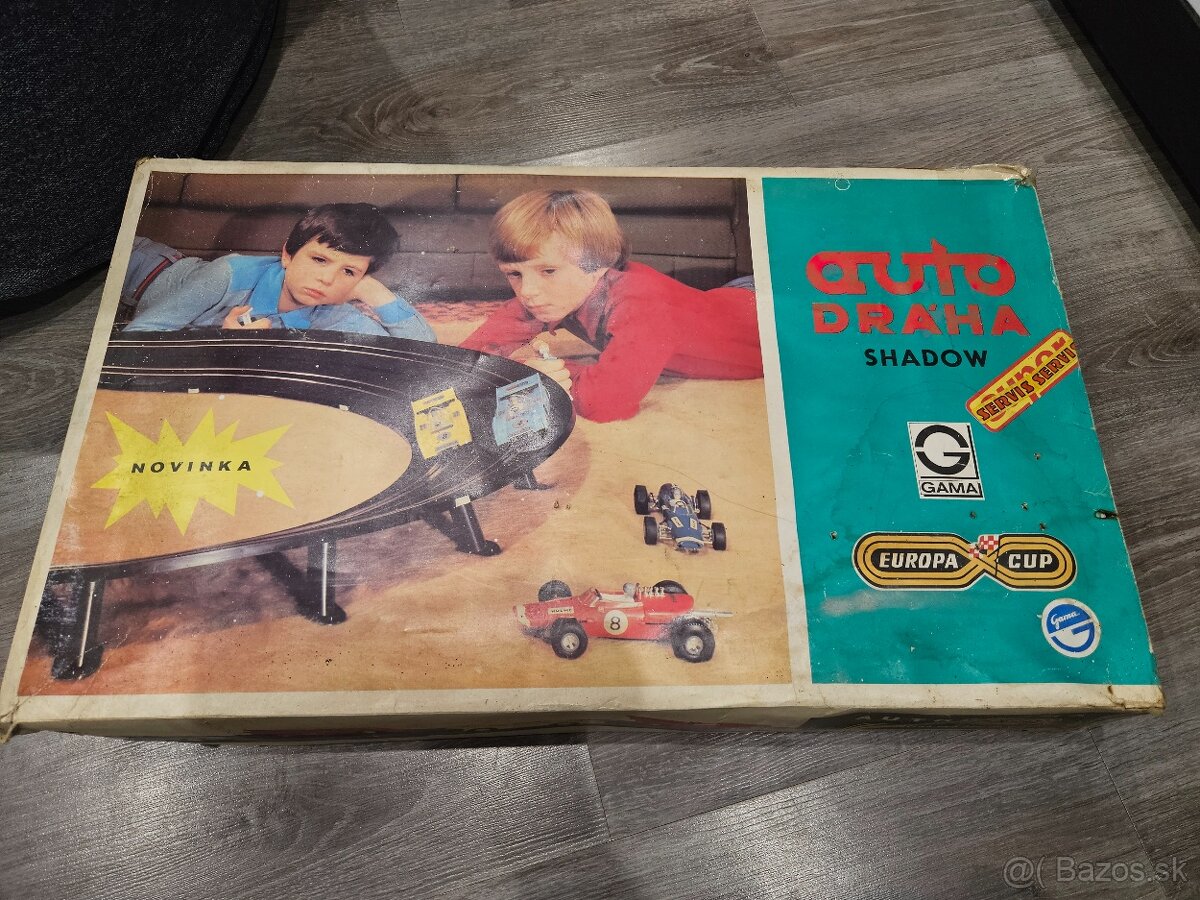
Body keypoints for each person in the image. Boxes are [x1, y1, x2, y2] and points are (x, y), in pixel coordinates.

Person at [458, 188, 762, 422]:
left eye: (548, 270)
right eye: (514, 274)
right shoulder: (550, 294)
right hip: (730, 296)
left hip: (771, 318)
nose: (527, 291)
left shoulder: (641, 303)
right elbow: (461, 359)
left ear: (597, 265)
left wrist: (534, 375)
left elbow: (605, 404)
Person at [123, 203, 435, 341]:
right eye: (319, 260)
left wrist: (372, 291)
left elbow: (422, 350)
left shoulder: (333, 312)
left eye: (349, 272)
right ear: (287, 254)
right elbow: (138, 335)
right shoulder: (231, 273)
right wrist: (219, 339)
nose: (327, 279)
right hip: (140, 269)